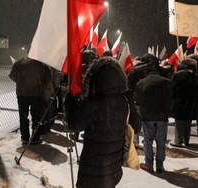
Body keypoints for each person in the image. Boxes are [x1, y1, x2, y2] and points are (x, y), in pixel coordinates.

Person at [66, 56, 141, 188]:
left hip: (91, 172)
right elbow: (137, 126)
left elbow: (74, 125)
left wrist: (70, 101)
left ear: (94, 80)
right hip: (112, 171)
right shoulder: (124, 101)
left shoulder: (92, 104)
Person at [135, 55, 173, 173]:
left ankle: (149, 163)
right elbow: (170, 98)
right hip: (162, 116)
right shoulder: (166, 82)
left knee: (148, 140)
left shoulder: (141, 83)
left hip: (147, 115)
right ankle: (160, 165)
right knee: (161, 142)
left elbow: (138, 100)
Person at [9, 55, 53, 145]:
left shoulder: (19, 63)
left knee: (23, 116)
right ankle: (35, 137)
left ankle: (25, 137)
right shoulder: (42, 65)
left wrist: (22, 81)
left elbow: (13, 76)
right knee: (36, 116)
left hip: (22, 93)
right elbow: (47, 80)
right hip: (37, 94)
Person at [170, 58, 198, 147]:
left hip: (178, 101)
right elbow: (197, 91)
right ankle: (186, 140)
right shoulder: (194, 76)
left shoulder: (176, 75)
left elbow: (172, 89)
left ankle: (178, 141)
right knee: (188, 122)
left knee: (179, 122)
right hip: (190, 102)